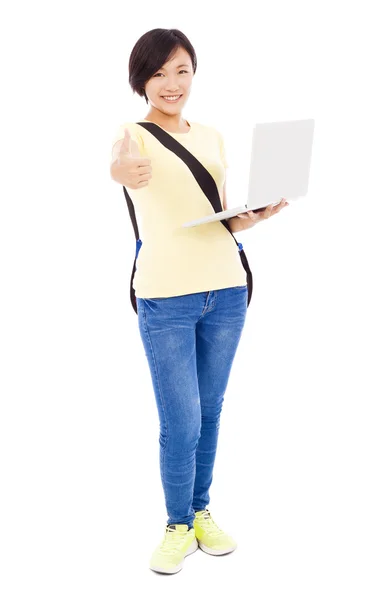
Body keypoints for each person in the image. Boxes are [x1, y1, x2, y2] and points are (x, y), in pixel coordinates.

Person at [110, 28, 289, 575]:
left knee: (210, 412)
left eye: (181, 70)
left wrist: (251, 216)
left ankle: (201, 510)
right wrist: (121, 170)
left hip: (227, 289)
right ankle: (176, 524)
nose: (171, 83)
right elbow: (119, 166)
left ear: (194, 73)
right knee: (180, 421)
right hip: (165, 297)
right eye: (159, 72)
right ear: (142, 78)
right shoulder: (130, 136)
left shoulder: (211, 136)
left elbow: (217, 214)